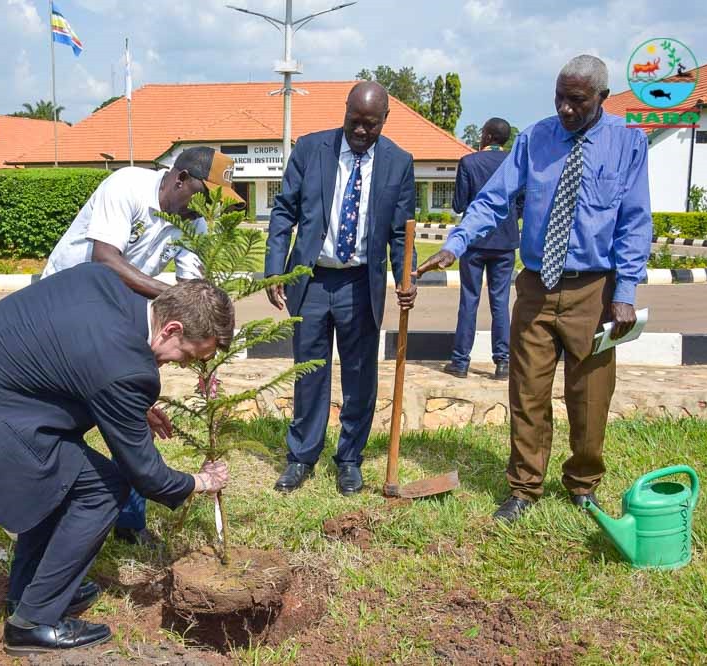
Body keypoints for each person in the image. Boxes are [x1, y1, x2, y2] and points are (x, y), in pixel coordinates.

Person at [0, 266, 233, 654]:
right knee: (103, 490)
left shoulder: (101, 281)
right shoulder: (124, 369)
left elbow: (66, 357)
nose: (181, 365)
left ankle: (29, 593)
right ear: (172, 329)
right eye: (188, 356)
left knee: (64, 479)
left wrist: (127, 406)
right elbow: (146, 474)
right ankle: (34, 623)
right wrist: (201, 481)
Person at [416, 55, 653, 522]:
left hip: (594, 290)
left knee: (589, 396)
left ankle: (583, 485)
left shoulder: (626, 143)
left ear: (601, 98)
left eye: (577, 100)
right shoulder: (535, 140)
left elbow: (635, 220)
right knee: (527, 392)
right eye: (559, 97)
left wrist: (625, 291)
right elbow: (493, 200)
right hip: (536, 288)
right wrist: (456, 244)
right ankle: (524, 487)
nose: (565, 108)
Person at [42, 146, 244, 547]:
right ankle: (55, 516)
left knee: (138, 406)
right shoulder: (128, 187)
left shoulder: (193, 225)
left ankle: (130, 523)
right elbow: (105, 260)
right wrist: (174, 295)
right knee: (65, 417)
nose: (205, 211)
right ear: (180, 178)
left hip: (121, 310)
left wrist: (210, 367)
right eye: (203, 197)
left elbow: (196, 300)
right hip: (67, 306)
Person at [265, 81, 417, 496]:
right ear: (345, 111)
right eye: (355, 121)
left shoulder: (398, 163)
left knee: (359, 376)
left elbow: (402, 233)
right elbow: (284, 211)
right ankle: (301, 457)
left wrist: (408, 276)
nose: (362, 131)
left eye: (371, 124)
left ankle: (349, 459)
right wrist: (274, 268)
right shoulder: (311, 149)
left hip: (360, 284)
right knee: (309, 373)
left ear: (385, 120)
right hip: (312, 280)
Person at [444, 118, 521, 380]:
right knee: (500, 302)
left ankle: (460, 362)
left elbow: (458, 205)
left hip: (474, 242)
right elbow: (522, 201)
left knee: (469, 300)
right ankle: (503, 363)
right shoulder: (515, 162)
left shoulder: (469, 162)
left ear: (486, 136)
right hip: (506, 241)